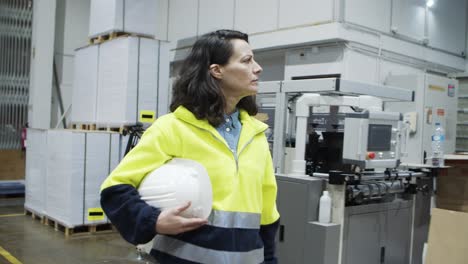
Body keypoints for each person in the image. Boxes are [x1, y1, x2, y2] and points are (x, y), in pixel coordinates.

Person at [100, 29, 280, 264]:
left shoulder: (256, 135)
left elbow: (267, 214)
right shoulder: (173, 128)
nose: (258, 68)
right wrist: (153, 220)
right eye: (246, 61)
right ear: (217, 71)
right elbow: (114, 190)